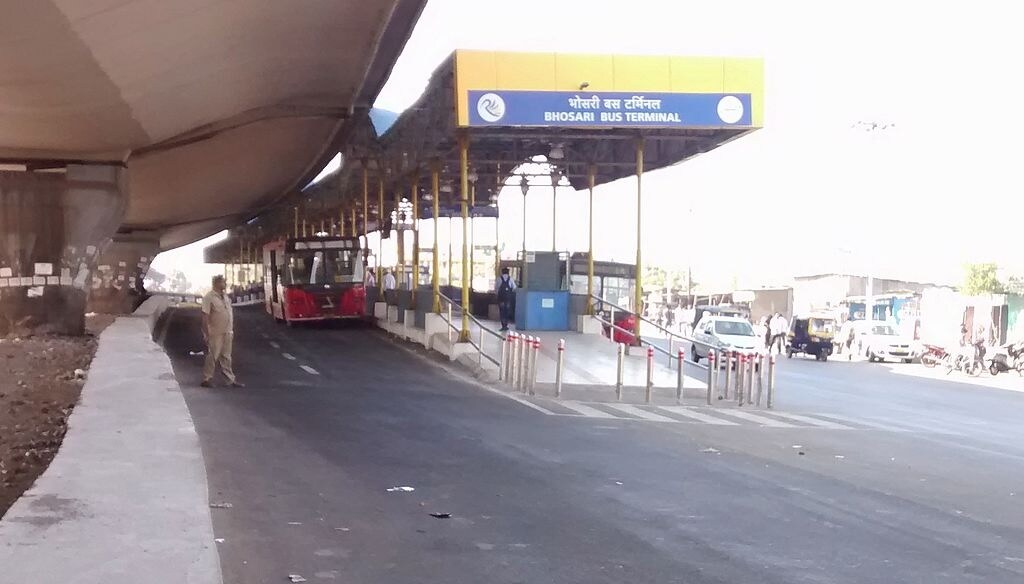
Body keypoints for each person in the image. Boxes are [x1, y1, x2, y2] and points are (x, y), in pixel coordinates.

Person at [201, 275, 243, 388]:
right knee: (213, 355)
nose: (225, 284)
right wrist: (206, 333)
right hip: (215, 332)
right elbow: (205, 316)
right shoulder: (209, 297)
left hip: (228, 331)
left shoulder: (225, 297)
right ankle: (207, 378)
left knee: (226, 356)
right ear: (217, 283)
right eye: (223, 282)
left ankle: (230, 379)